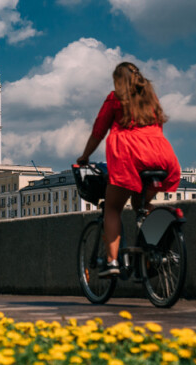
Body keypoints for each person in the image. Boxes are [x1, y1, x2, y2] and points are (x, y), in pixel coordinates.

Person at [77, 62, 180, 277]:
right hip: (161, 156)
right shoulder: (151, 99)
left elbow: (99, 131)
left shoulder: (115, 98)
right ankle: (157, 238)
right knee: (140, 204)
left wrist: (85, 156)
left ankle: (113, 261)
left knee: (113, 208)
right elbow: (158, 127)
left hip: (129, 156)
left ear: (118, 80)